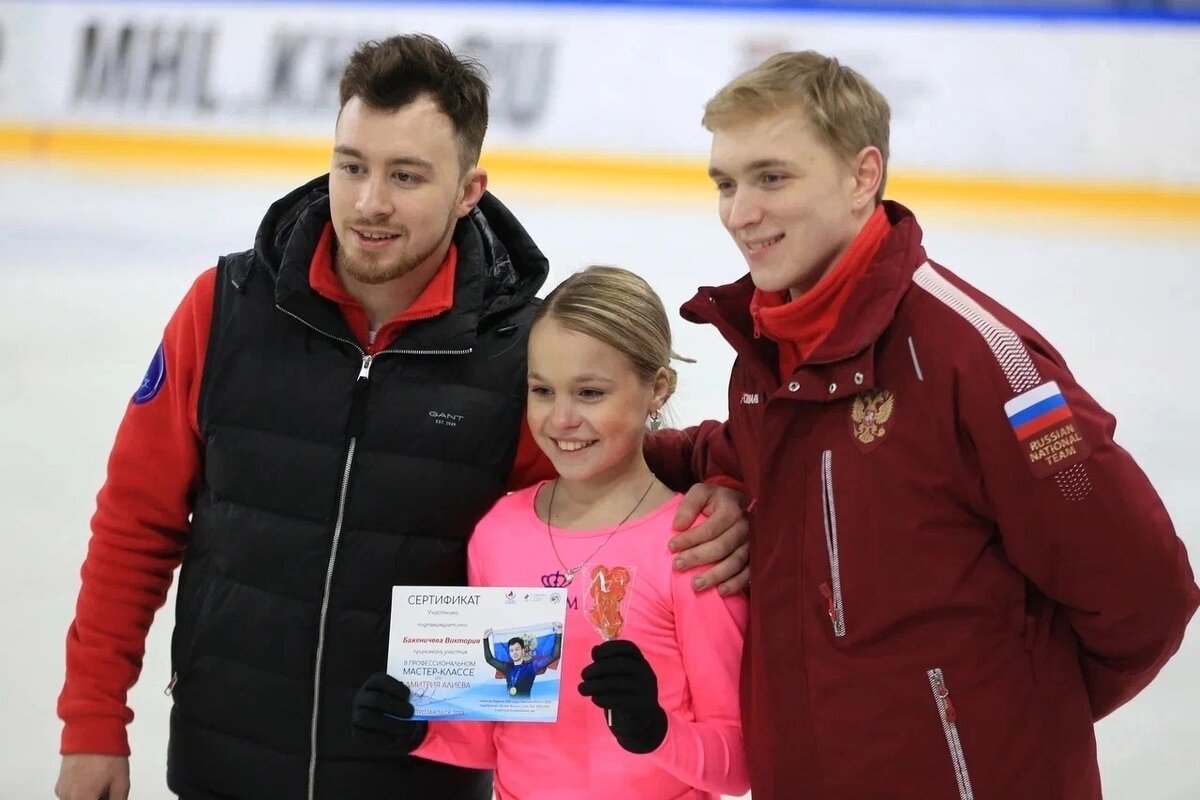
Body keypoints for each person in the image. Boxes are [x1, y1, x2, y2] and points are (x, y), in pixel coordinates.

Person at [53, 35, 749, 800]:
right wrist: (92, 721)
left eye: (406, 176)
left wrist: (711, 482)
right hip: (225, 763)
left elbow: (596, 466)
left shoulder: (519, 354)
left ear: (468, 190)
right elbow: (134, 524)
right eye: (352, 165)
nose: (368, 201)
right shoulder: (224, 311)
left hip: (418, 777)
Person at [655, 50, 1200, 799]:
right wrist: (645, 457)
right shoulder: (770, 349)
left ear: (862, 176)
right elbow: (766, 454)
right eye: (726, 182)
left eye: (772, 177)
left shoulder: (982, 362)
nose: (740, 211)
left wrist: (1004, 715)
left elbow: (1145, 591)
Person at [351, 266, 750, 800]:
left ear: (657, 388)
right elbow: (496, 733)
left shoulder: (692, 545)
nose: (560, 419)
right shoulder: (499, 532)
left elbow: (739, 763)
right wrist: (418, 728)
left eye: (589, 392)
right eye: (542, 390)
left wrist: (655, 730)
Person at [482, 623, 564, 697]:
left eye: (517, 649)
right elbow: (489, 659)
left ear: (523, 650)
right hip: (508, 708)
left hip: (525, 709)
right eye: (511, 650)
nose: (514, 652)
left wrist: (559, 633)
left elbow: (555, 655)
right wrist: (485, 639)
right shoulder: (506, 667)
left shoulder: (532, 666)